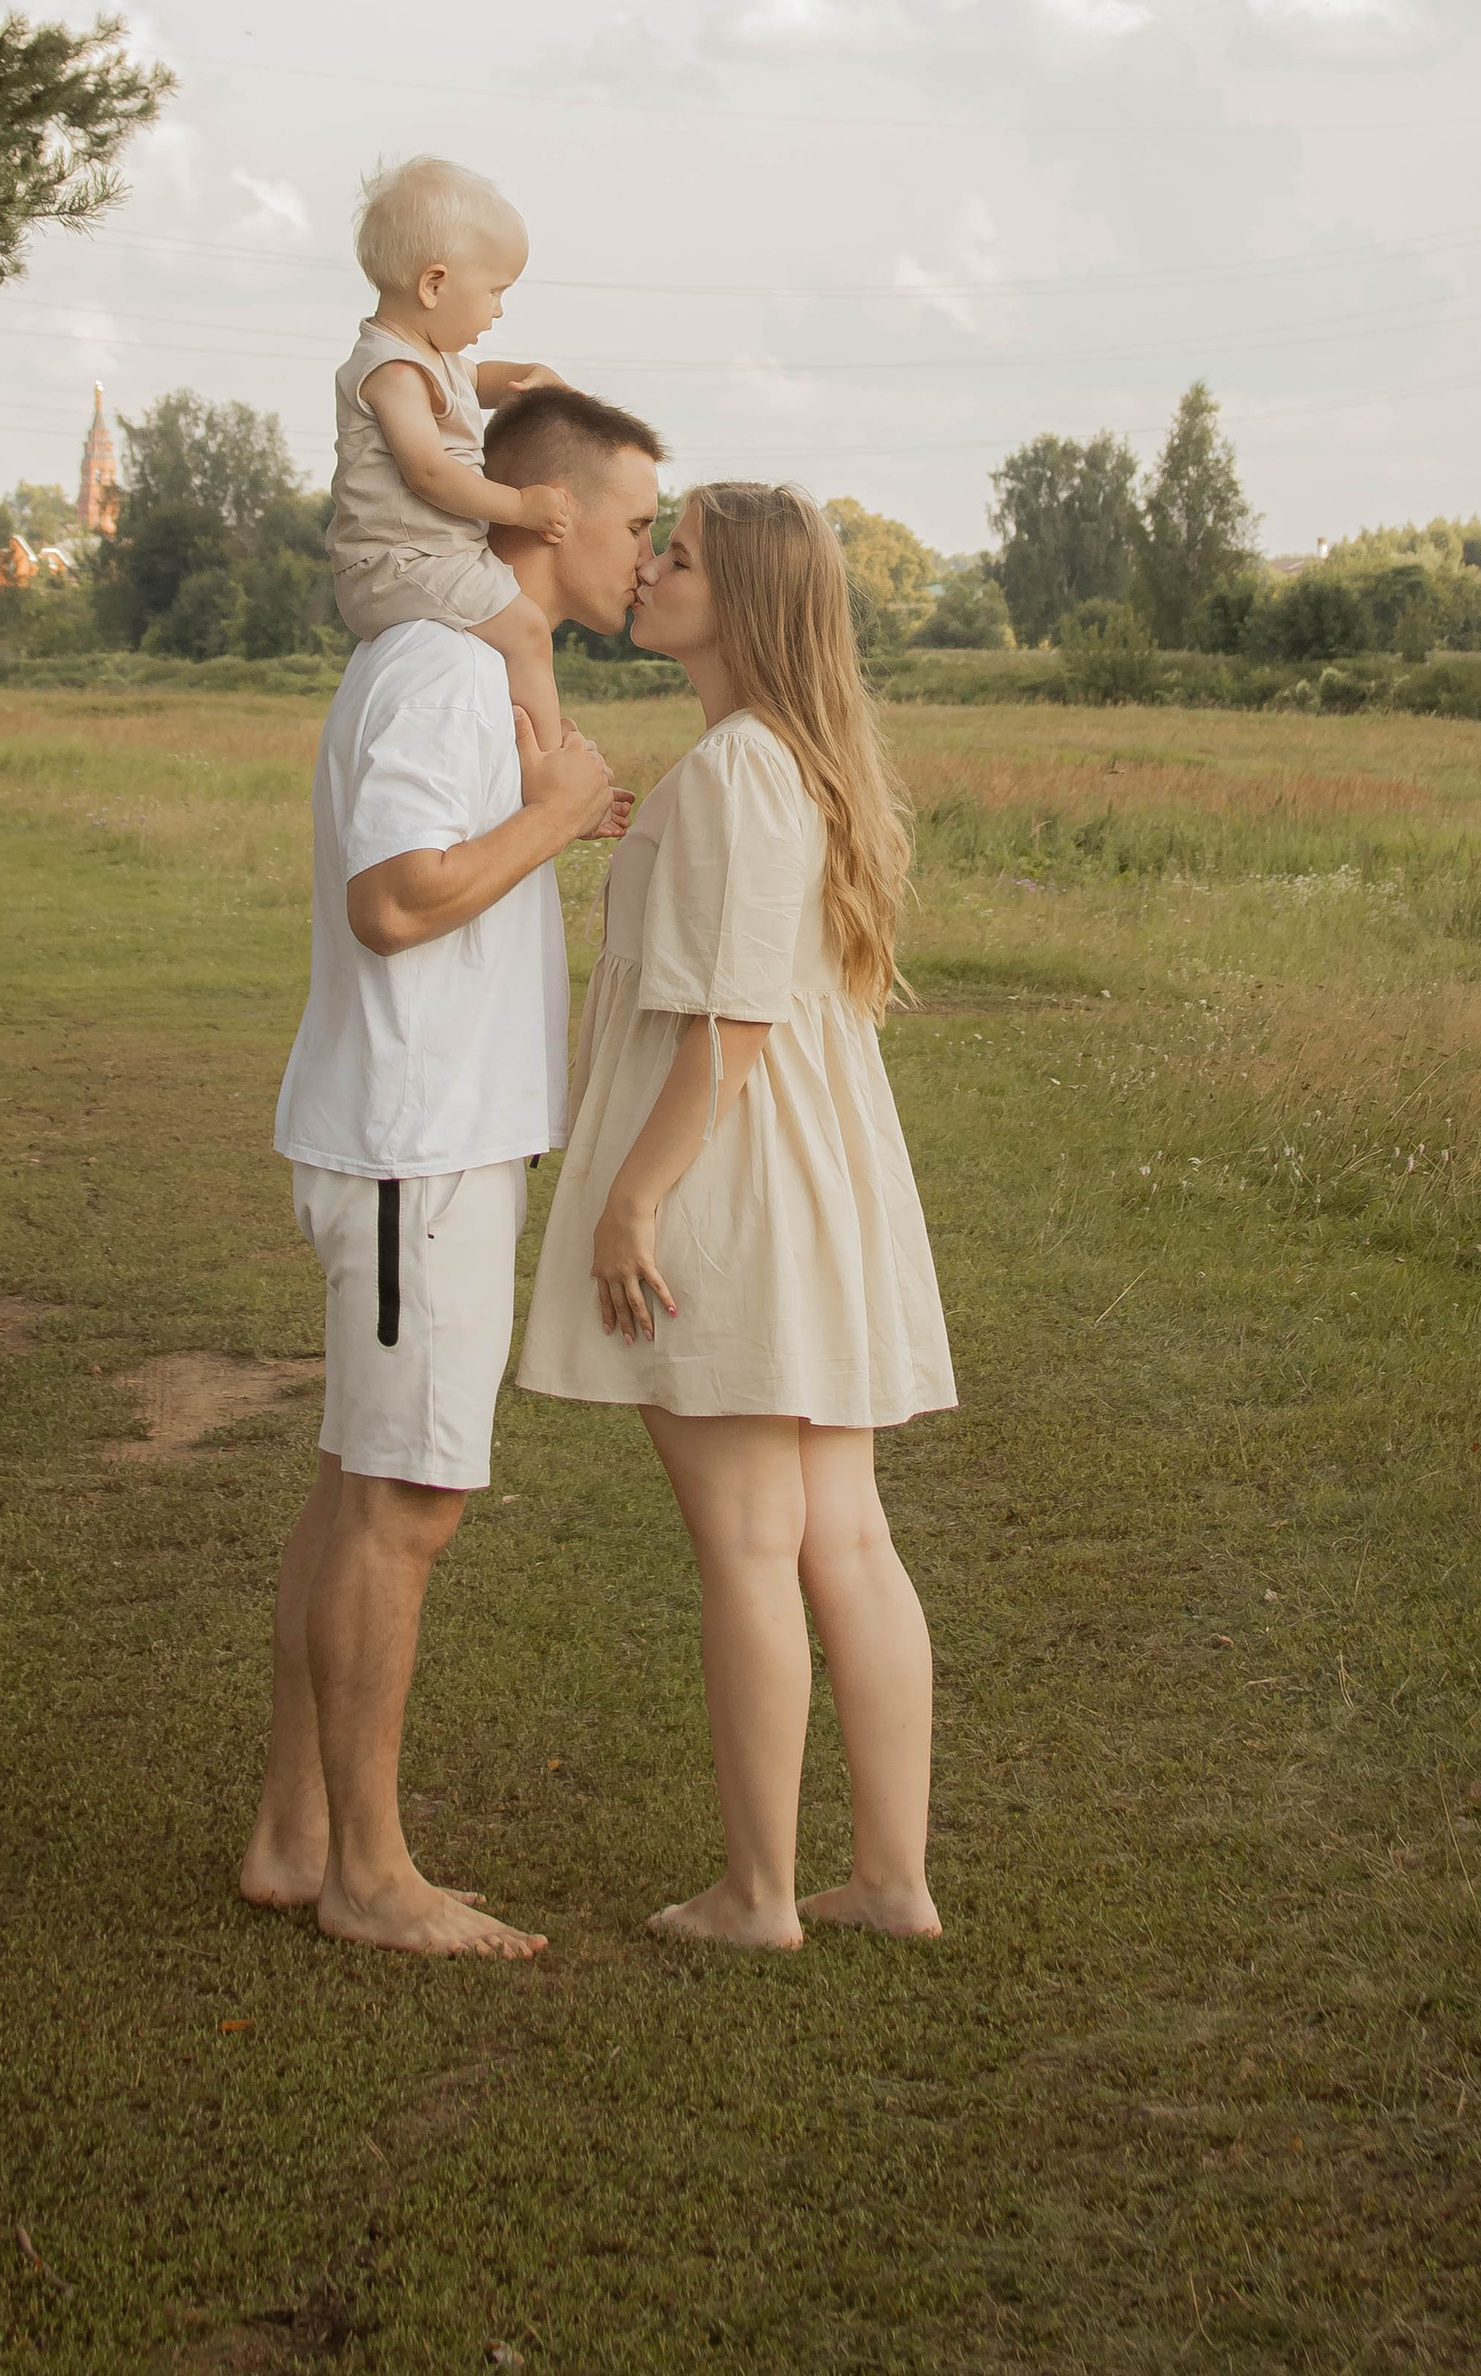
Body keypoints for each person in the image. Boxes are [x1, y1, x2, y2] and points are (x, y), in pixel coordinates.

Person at [242, 385, 666, 1958]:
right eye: (637, 522)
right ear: (550, 512)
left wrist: (554, 811)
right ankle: (370, 1876)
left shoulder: (479, 663)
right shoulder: (439, 670)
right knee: (407, 1505)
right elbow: (396, 900)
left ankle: (296, 1838)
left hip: (428, 1144)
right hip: (416, 1155)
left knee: (362, 1484)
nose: (647, 555)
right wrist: (555, 816)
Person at [518, 483, 955, 1950]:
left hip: (729, 1180)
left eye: (682, 557)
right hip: (807, 1179)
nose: (648, 570)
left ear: (747, 603)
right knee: (845, 1538)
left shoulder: (735, 771)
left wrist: (632, 1200)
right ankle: (887, 1880)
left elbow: (732, 1025)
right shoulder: (778, 764)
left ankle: (760, 1893)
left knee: (755, 1545)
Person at [327, 154, 578, 755]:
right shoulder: (393, 370)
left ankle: (524, 740)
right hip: (398, 564)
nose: (499, 309)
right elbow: (428, 471)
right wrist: (520, 506)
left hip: (427, 558)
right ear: (434, 285)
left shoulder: (431, 357)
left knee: (515, 628)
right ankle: (545, 762)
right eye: (494, 291)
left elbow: (481, 379)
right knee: (527, 630)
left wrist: (530, 374)